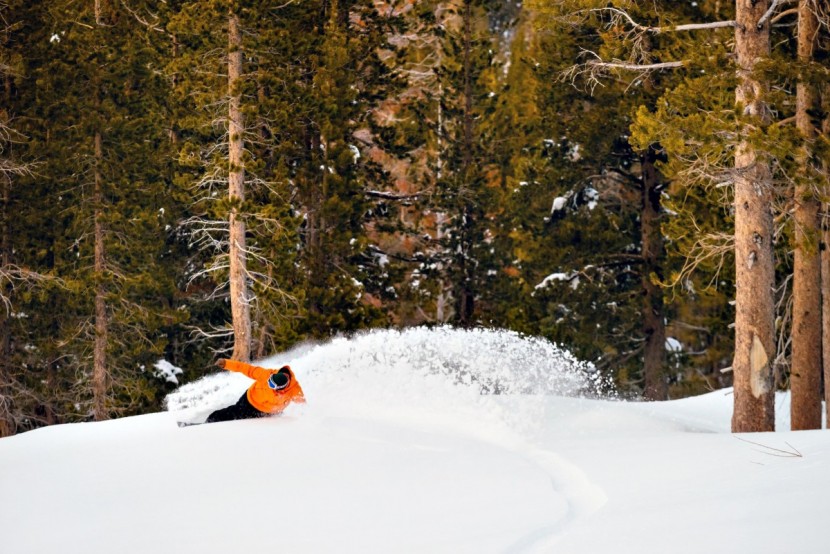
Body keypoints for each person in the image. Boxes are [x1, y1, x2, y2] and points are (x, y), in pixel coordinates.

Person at [205, 358, 305, 423]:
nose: (269, 385)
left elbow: (303, 405)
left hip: (269, 412)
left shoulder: (294, 390)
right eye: (269, 381)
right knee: (235, 414)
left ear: (281, 388)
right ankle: (212, 420)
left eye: (272, 385)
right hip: (250, 401)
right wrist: (226, 363)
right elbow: (245, 368)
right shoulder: (265, 374)